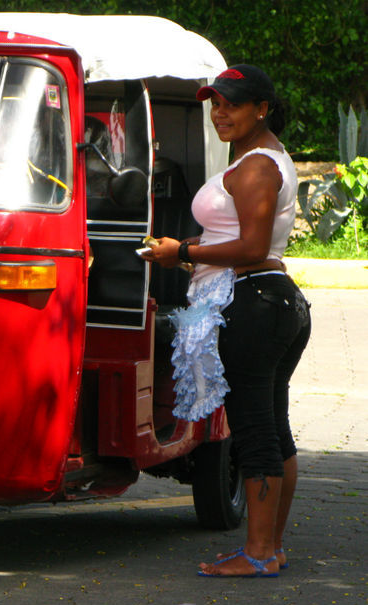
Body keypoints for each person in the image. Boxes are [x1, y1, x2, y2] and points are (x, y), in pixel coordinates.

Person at [141, 65, 311, 578]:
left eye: (232, 104)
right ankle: (270, 548)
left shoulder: (258, 166)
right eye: (214, 104)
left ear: (262, 107)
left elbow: (254, 248)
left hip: (252, 301)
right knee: (273, 428)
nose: (220, 113)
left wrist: (182, 251)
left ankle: (259, 553)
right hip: (269, 301)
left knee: (256, 430)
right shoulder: (261, 157)